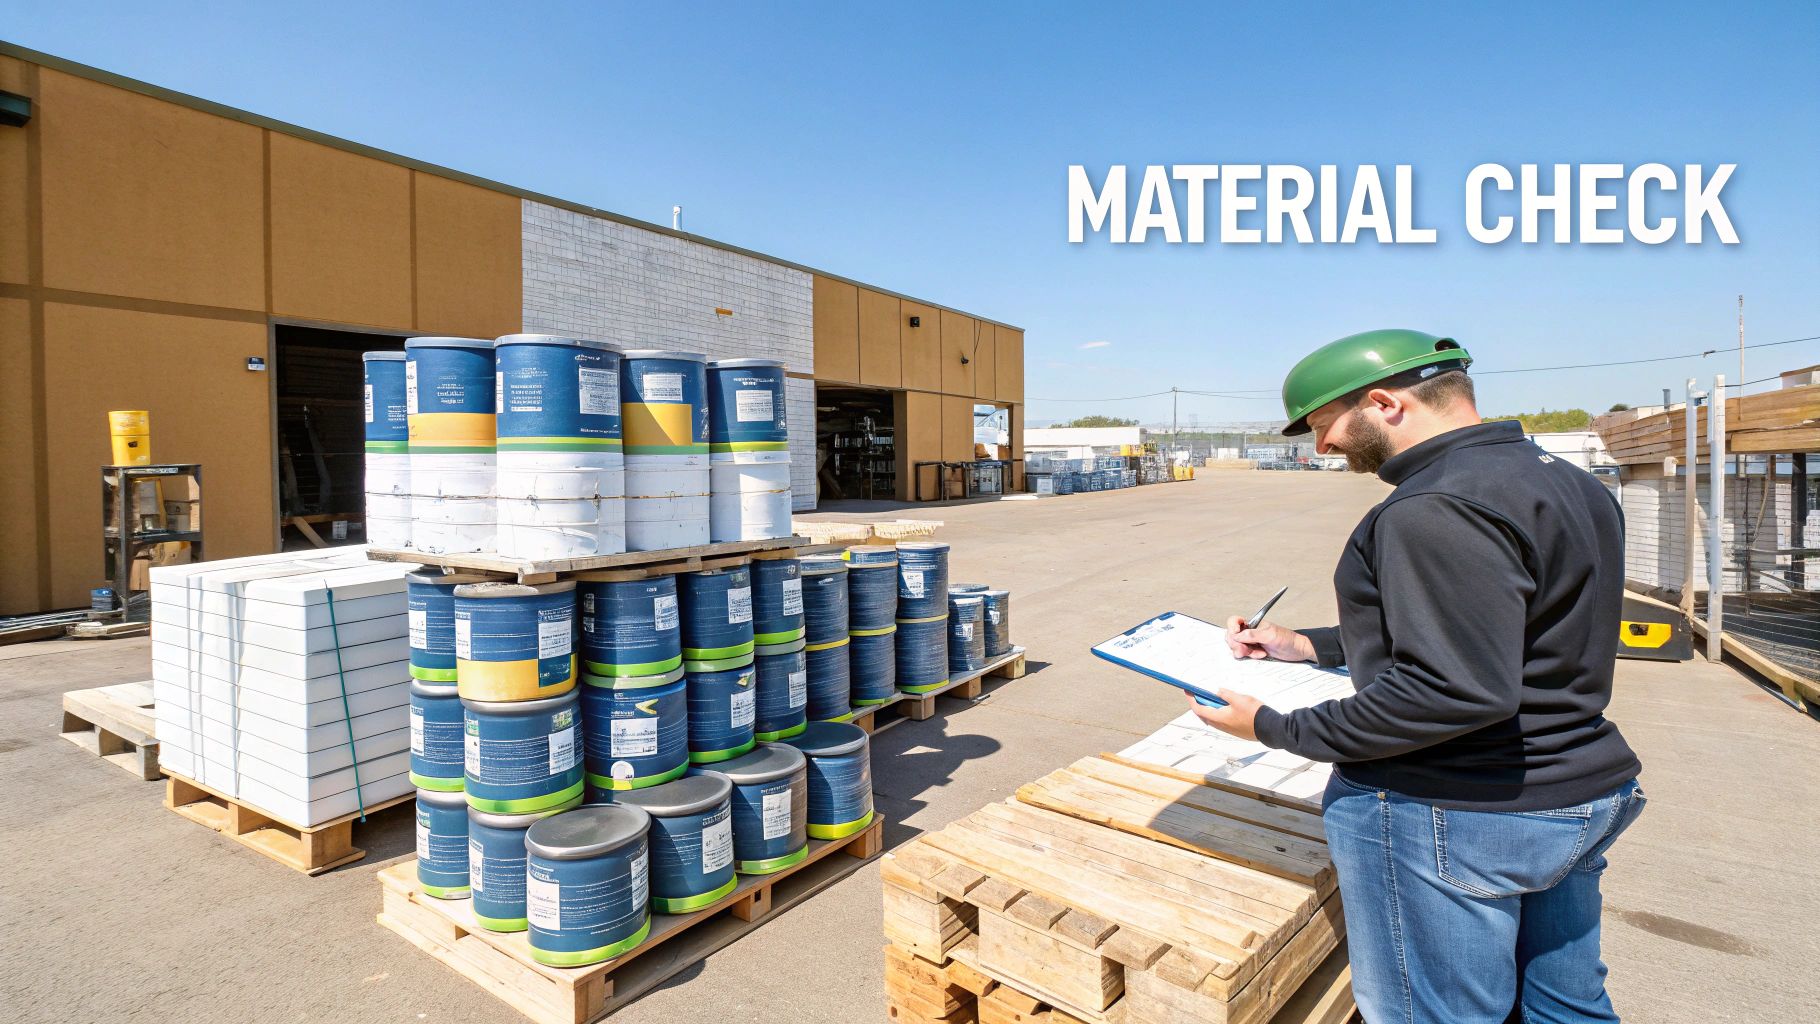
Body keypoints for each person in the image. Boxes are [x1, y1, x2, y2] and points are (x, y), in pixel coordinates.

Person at [1191, 329, 1646, 1024]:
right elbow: (1495, 631)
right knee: (1565, 1009)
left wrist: (1272, 726)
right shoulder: (1567, 482)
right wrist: (1302, 645)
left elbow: (1453, 688)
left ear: (1383, 403)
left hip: (1454, 812)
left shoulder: (1434, 506)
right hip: (1571, 791)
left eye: (1322, 425)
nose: (1322, 448)